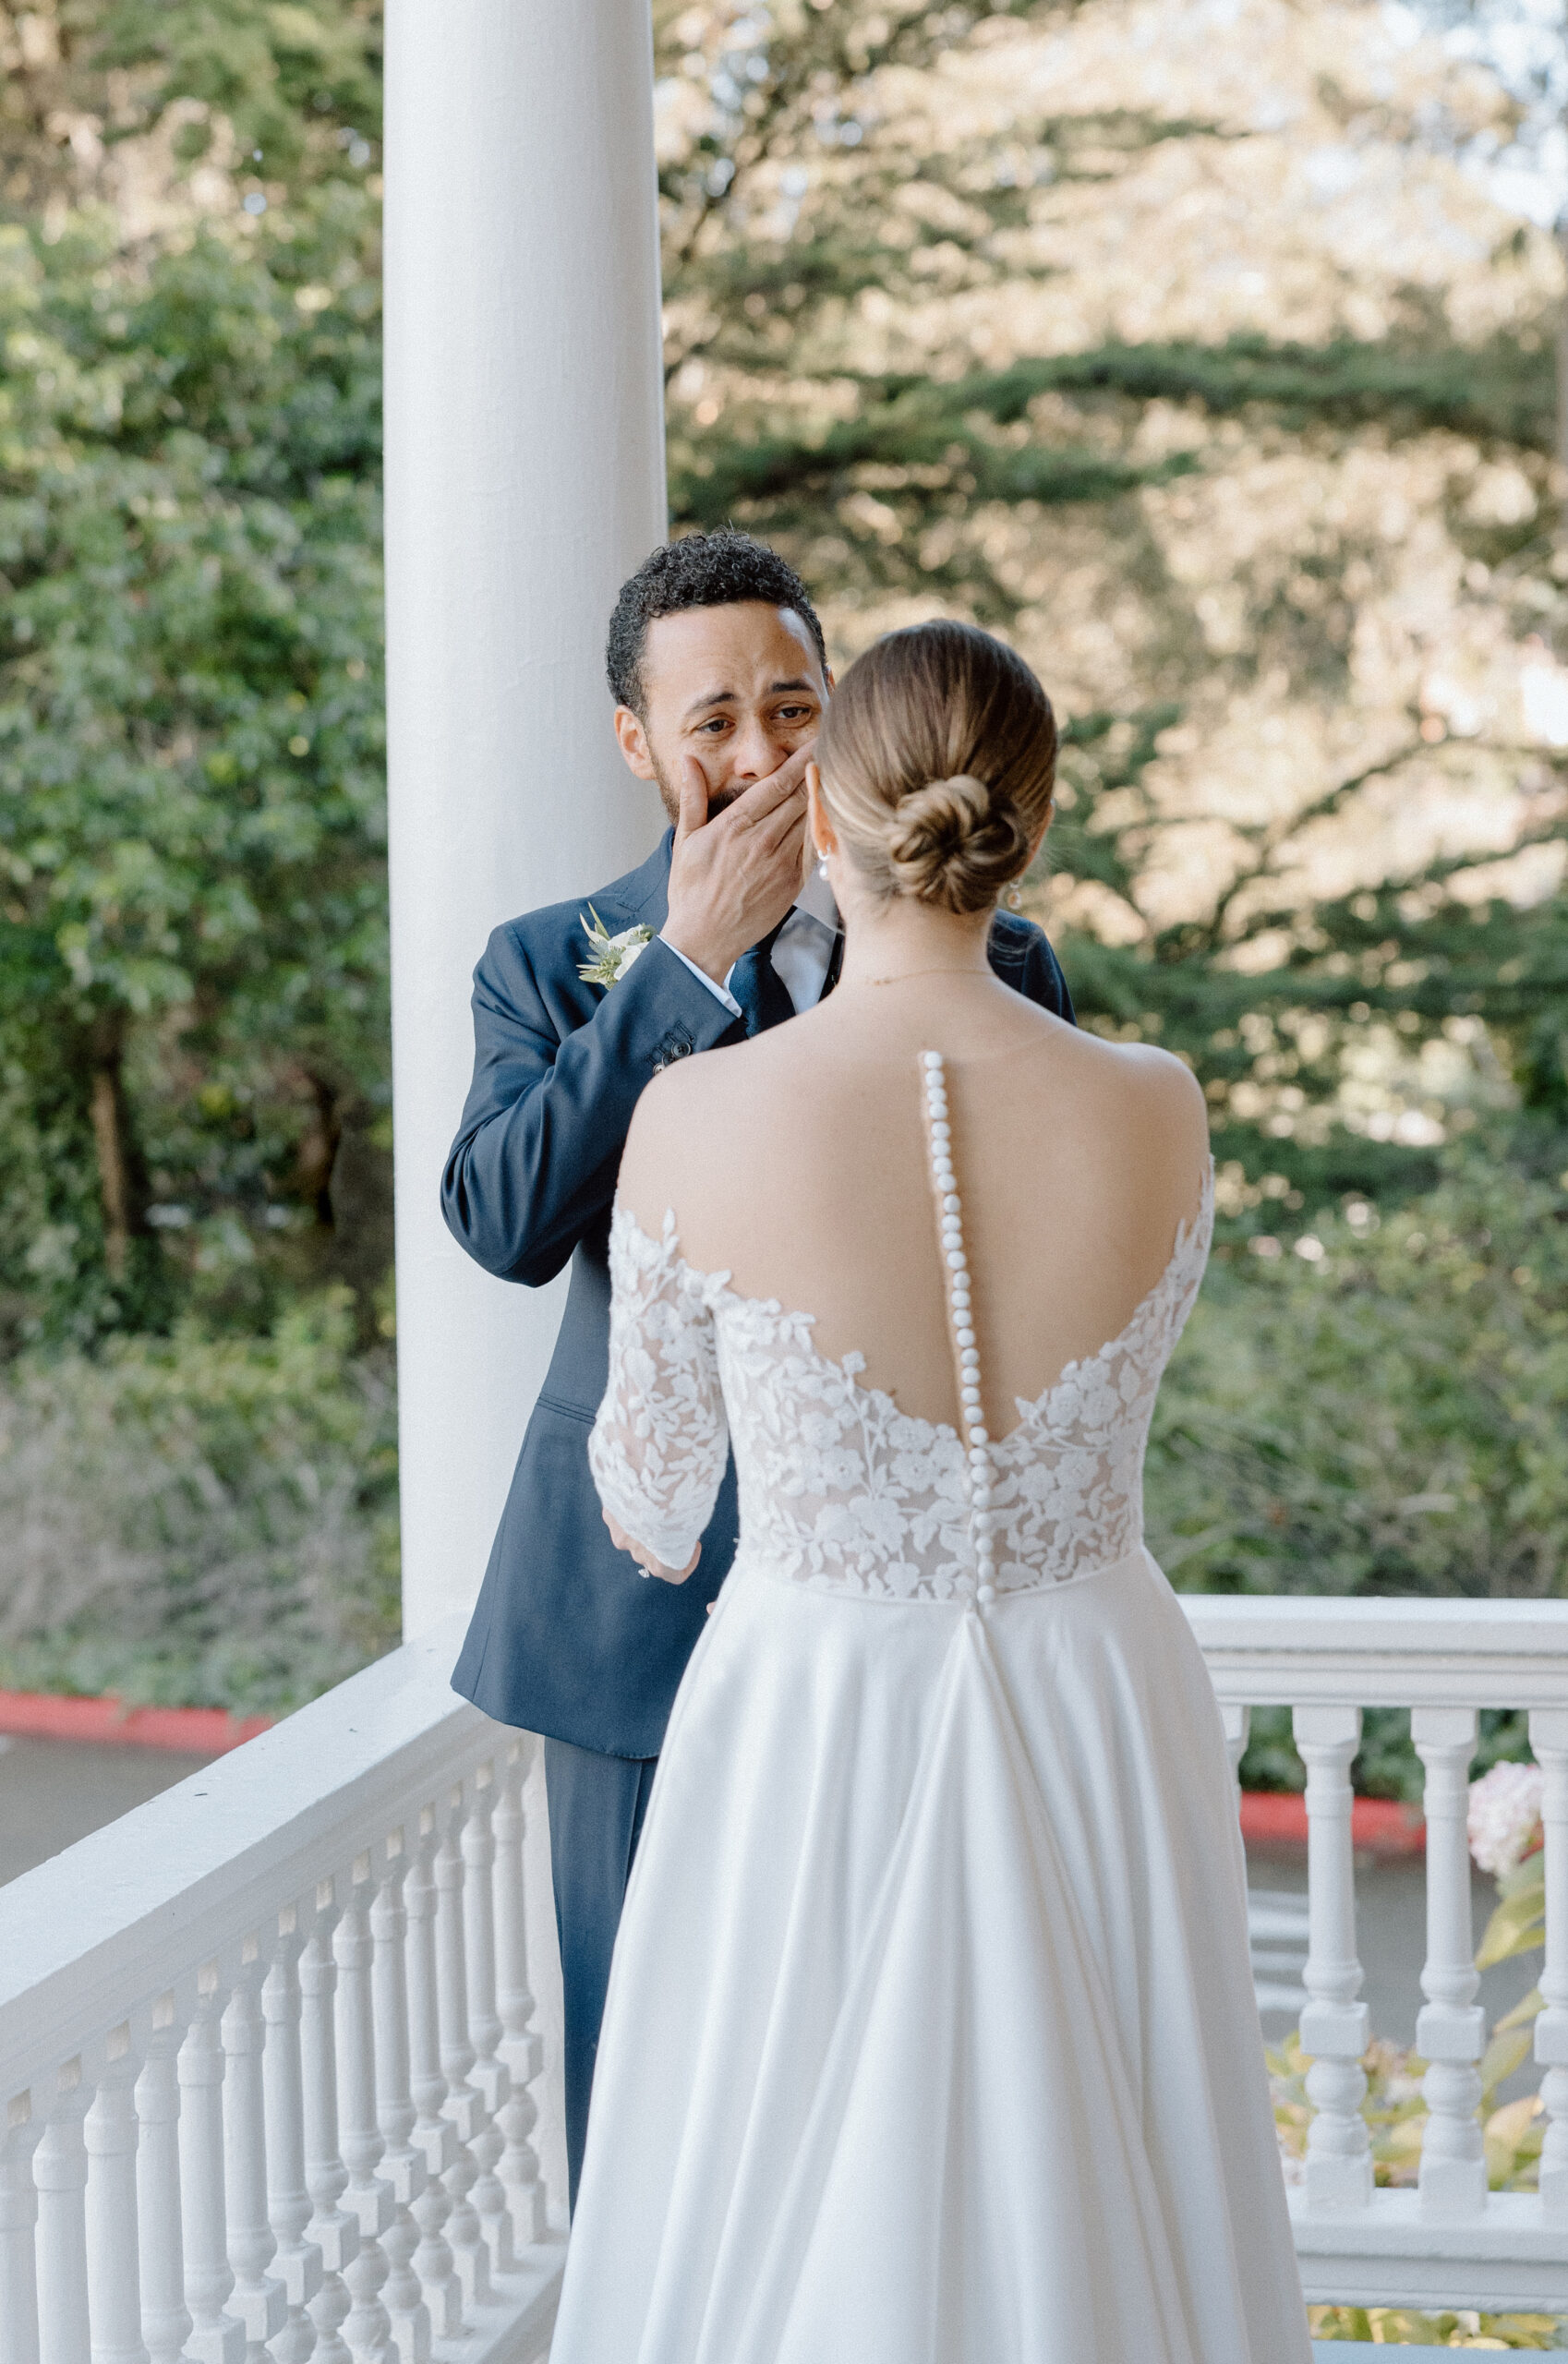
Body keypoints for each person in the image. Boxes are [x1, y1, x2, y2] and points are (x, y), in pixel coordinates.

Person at [549, 619, 1309, 2361]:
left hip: (817, 1701)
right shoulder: (1157, 1105)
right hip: (1096, 1681)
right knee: (1129, 2149)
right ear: (1025, 827)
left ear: (823, 817)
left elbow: (652, 1504)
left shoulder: (696, 1113)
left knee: (775, 2162)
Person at [441, 532, 1074, 2203]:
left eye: (793, 709)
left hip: (895, 1605)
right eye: (711, 721)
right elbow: (501, 1221)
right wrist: (675, 973)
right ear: (636, 742)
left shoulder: (998, 958)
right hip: (629, 1618)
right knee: (642, 2082)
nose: (760, 757)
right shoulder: (546, 961)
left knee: (889, 2073)